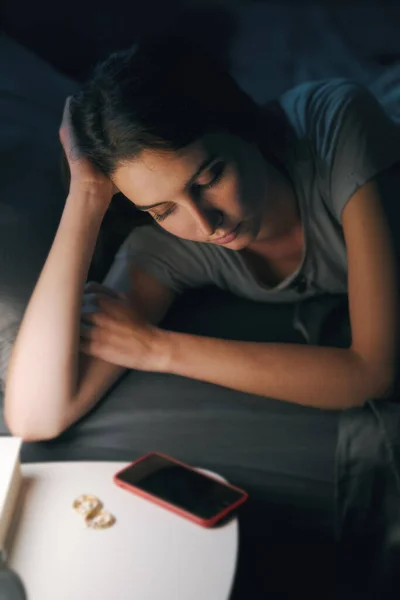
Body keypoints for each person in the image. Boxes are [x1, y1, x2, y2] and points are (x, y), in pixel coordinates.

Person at [4, 36, 400, 442]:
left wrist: (156, 348)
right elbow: (34, 418)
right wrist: (85, 199)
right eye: (163, 209)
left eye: (209, 178)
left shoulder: (338, 128)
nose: (206, 223)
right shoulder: (166, 244)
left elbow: (373, 373)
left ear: (243, 127)